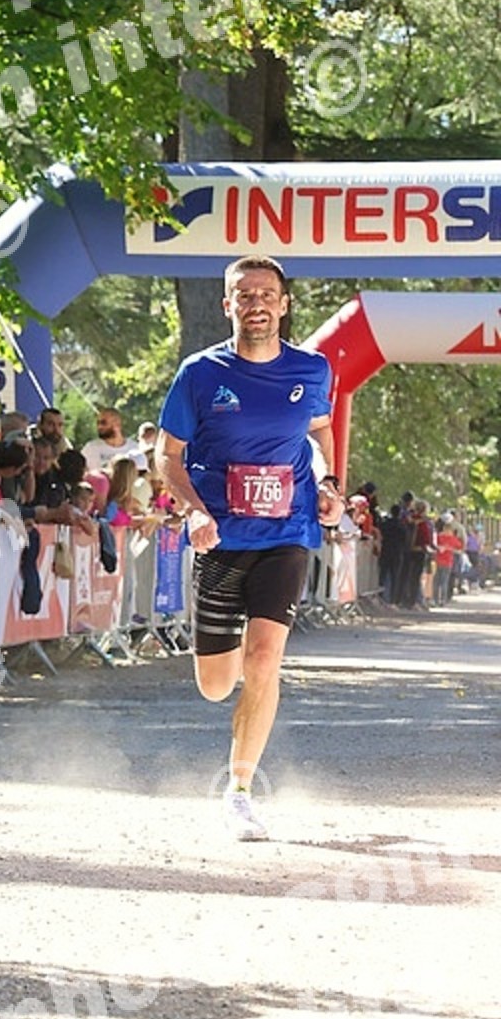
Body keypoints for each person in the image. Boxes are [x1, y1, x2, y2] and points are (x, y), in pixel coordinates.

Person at [156, 254, 340, 841]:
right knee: (215, 685)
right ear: (227, 305)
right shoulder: (200, 373)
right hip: (220, 537)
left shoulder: (312, 369)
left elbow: (320, 431)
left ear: (284, 305)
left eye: (266, 294)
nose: (256, 303)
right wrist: (195, 510)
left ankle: (239, 791)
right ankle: (228, 657)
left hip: (287, 533)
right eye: (245, 294)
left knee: (264, 659)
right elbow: (167, 455)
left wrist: (330, 484)